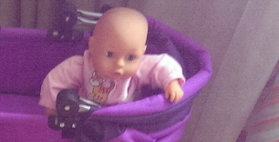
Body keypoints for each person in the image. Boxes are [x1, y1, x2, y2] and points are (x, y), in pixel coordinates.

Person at [39, 7, 185, 114]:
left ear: (142, 53)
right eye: (109, 54)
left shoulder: (140, 67)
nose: (120, 64)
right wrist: (52, 105)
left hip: (123, 119)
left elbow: (162, 64)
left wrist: (171, 82)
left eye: (130, 57)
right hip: (85, 116)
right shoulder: (82, 65)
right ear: (92, 46)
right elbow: (56, 79)